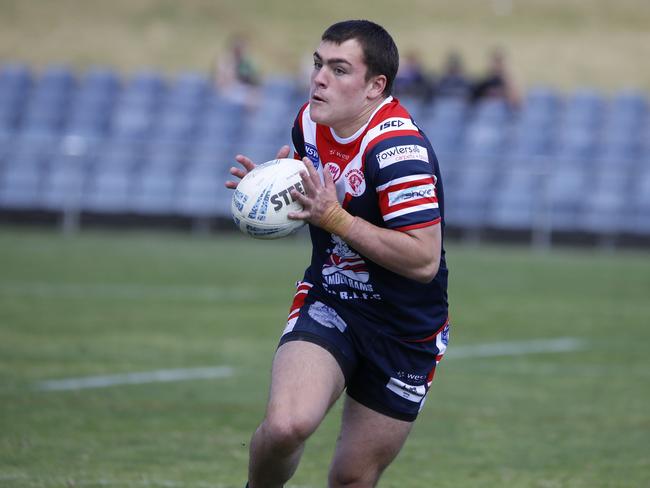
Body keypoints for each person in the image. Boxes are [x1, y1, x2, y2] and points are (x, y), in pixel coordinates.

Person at [225, 19, 449, 487]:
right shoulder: (309, 122)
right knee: (288, 425)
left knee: (351, 478)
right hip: (332, 299)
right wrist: (273, 188)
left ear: (375, 87)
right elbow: (315, 189)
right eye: (318, 64)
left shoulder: (397, 150)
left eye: (339, 69)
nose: (320, 78)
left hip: (406, 329)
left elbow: (424, 260)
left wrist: (335, 219)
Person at [212, 34, 261, 110]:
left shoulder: (247, 63)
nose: (239, 51)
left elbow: (255, 81)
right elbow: (221, 82)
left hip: (243, 91)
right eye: (237, 49)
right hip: (227, 92)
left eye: (242, 48)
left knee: (254, 98)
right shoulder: (224, 61)